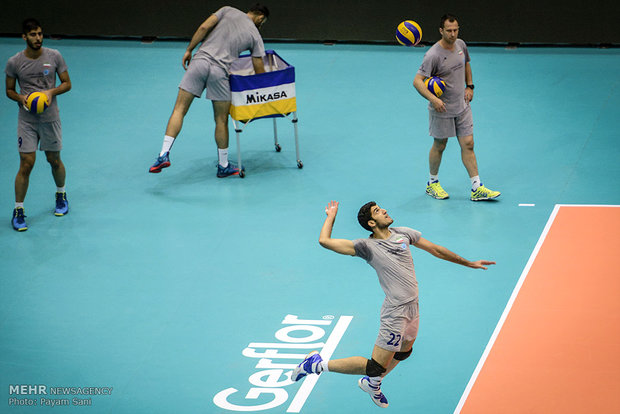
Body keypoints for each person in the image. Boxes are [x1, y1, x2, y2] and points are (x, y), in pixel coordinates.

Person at [292, 200, 495, 408]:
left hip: (413, 306)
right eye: (378, 211)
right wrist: (330, 218)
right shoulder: (366, 246)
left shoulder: (403, 234)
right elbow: (324, 241)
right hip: (395, 311)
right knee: (375, 366)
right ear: (371, 223)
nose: (385, 210)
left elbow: (436, 250)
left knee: (405, 350)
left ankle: (372, 385)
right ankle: (316, 364)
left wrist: (468, 262)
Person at [149, 4, 269, 177]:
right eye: (263, 22)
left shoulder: (227, 10)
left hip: (198, 63)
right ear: (260, 17)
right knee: (221, 120)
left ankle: (163, 154)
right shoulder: (256, 36)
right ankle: (223, 165)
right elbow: (258, 66)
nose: (261, 25)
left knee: (179, 110)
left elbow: (204, 27)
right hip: (219, 73)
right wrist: (263, 88)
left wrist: (189, 49)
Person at [413, 14, 500, 201]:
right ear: (441, 31)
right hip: (442, 109)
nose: (453, 34)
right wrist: (433, 99)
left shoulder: (461, 45)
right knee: (440, 145)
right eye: (449, 31)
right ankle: (432, 183)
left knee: (468, 144)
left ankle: (477, 187)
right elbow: (417, 81)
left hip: (462, 106)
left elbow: (466, 64)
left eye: (455, 30)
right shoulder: (433, 55)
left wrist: (470, 86)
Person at [5, 18, 72, 231]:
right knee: (26, 163)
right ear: (24, 37)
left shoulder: (54, 56)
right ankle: (18, 210)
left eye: (40, 34)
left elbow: (67, 83)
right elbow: (9, 90)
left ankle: (61, 194)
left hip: (50, 118)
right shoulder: (14, 62)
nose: (38, 38)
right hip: (27, 120)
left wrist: (50, 92)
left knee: (54, 160)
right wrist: (20, 98)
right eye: (33, 35)